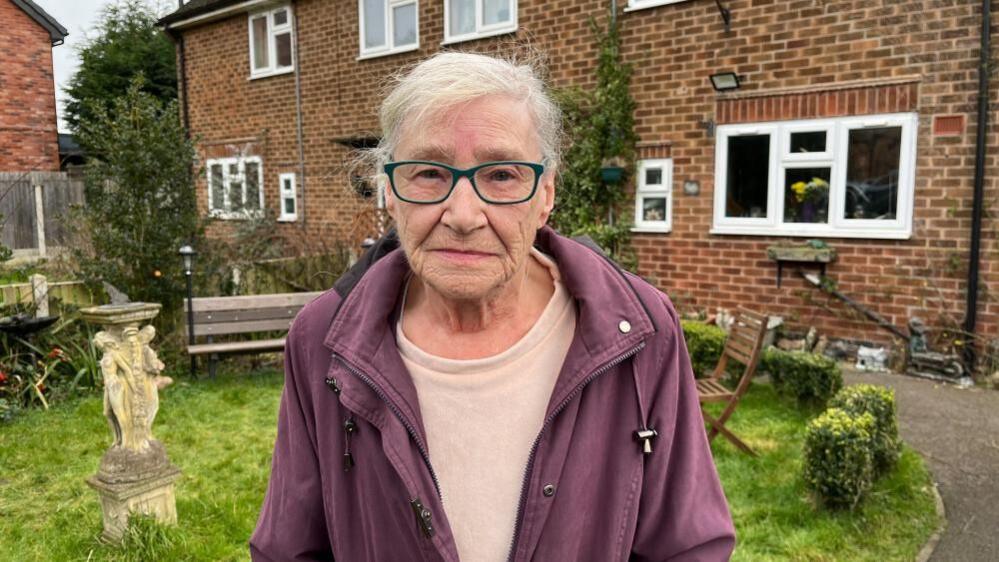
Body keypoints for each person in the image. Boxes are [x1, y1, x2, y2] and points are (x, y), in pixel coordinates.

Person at [250, 51, 735, 562]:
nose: (462, 214)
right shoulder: (323, 340)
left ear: (545, 195)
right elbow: (289, 549)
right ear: (390, 191)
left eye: (501, 175)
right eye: (429, 174)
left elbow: (689, 545)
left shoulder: (639, 330)